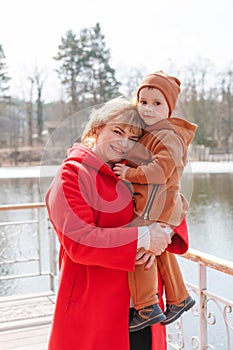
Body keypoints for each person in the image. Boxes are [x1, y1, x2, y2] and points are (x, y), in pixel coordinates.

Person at [45, 96, 189, 350]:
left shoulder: (134, 170)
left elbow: (171, 201)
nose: (124, 142)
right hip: (97, 305)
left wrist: (163, 230)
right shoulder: (73, 173)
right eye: (117, 131)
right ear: (96, 129)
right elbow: (79, 241)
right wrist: (143, 238)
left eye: (134, 138)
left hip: (144, 305)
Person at [113, 71, 197, 331]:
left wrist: (130, 174)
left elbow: (160, 171)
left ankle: (147, 306)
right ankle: (179, 297)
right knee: (158, 251)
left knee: (139, 248)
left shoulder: (168, 136)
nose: (148, 108)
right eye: (143, 102)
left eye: (157, 103)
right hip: (156, 202)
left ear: (169, 109)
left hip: (157, 203)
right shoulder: (151, 133)